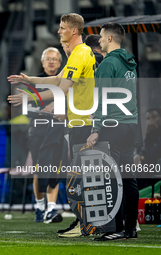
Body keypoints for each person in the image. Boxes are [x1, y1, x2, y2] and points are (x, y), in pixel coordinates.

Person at [8, 13, 96, 238]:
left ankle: (84, 222)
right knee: (71, 173)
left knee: (79, 176)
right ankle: (75, 218)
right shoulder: (79, 54)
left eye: (62, 28)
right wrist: (31, 80)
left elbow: (61, 89)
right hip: (74, 122)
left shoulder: (79, 54)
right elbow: (58, 80)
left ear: (73, 31)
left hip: (81, 123)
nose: (59, 31)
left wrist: (30, 99)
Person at [87, 22, 139, 241]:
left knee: (111, 179)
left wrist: (96, 128)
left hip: (113, 126)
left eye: (100, 37)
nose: (98, 40)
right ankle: (130, 228)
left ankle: (116, 229)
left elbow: (101, 99)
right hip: (130, 124)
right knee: (128, 179)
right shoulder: (130, 63)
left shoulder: (108, 64)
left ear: (109, 39)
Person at [26, 47, 64, 223]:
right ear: (42, 62)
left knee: (54, 169)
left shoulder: (65, 82)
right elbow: (27, 109)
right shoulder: (34, 82)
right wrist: (47, 110)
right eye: (48, 59)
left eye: (54, 59)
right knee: (39, 169)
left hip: (57, 131)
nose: (51, 62)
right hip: (39, 131)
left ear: (60, 63)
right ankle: (40, 206)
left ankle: (51, 208)